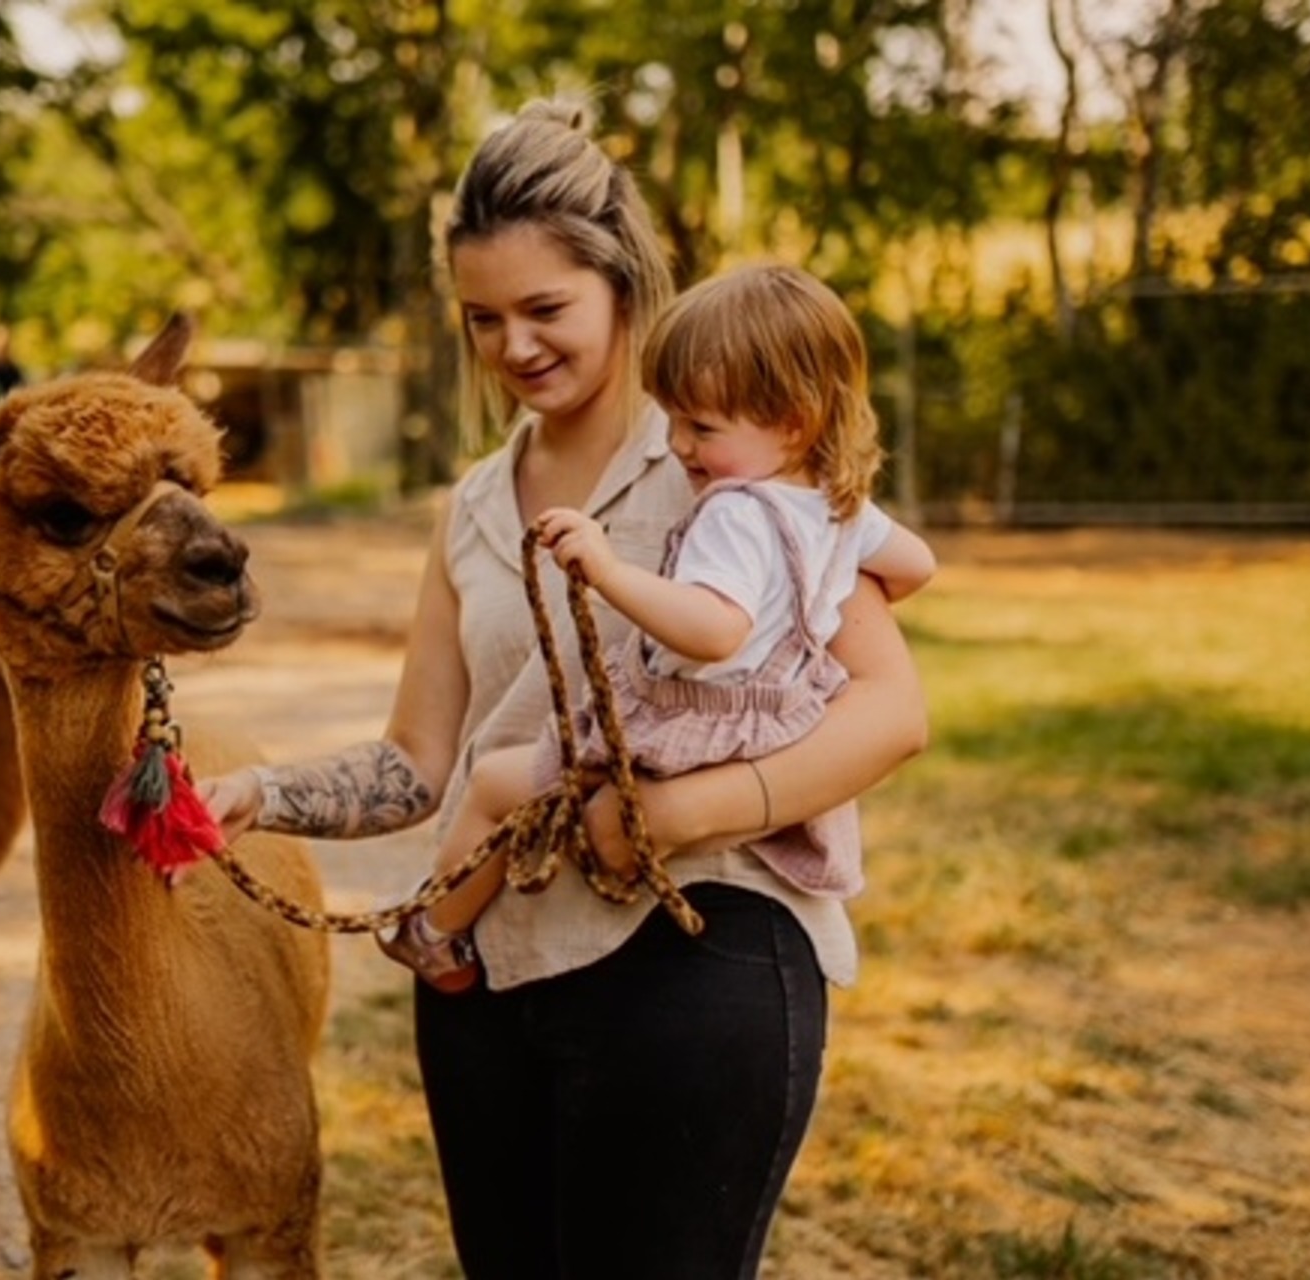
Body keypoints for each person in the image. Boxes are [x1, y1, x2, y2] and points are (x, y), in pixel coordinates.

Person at [199, 98, 929, 1279]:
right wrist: (257, 792)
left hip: (700, 952)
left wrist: (689, 811)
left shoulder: (727, 459)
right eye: (483, 319)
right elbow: (418, 764)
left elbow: (893, 711)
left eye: (546, 309)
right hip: (490, 974)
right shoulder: (474, 506)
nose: (515, 346)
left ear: (624, 281)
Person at [378, 263, 938, 993]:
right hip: (767, 723)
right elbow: (918, 566)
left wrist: (609, 571)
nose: (678, 445)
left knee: (496, 784)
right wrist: (816, 596)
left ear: (794, 422)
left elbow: (713, 630)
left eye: (701, 426)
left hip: (679, 724)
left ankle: (435, 935)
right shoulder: (838, 510)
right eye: (672, 419)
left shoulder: (734, 511)